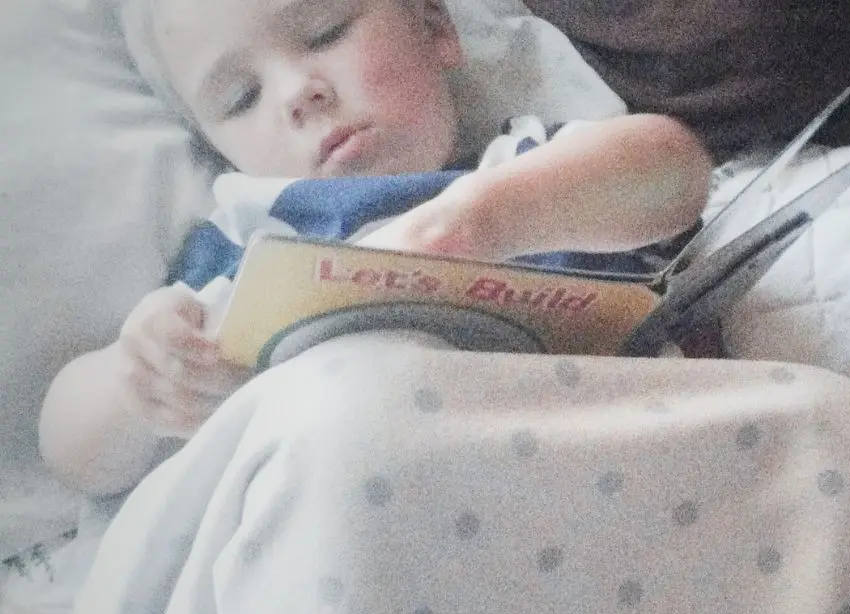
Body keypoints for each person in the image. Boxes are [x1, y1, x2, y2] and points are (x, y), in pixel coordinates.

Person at [37, 0, 713, 499]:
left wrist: (484, 221)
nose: (300, 92)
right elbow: (72, 455)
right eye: (242, 98)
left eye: (326, 33)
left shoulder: (525, 170)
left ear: (435, 26)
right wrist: (135, 379)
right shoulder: (254, 246)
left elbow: (676, 168)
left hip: (608, 476)